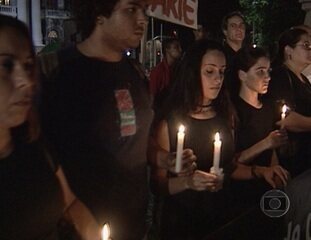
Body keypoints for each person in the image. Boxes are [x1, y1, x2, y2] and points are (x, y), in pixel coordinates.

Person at [39, 1, 195, 240]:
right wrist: (80, 220)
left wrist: (165, 158)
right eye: (131, 9)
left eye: (144, 10)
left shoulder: (135, 72)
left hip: (133, 225)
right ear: (99, 14)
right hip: (78, 230)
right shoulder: (58, 74)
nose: (142, 19)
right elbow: (41, 161)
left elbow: (136, 138)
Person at [0, 14, 100, 240]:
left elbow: (69, 202)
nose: (26, 80)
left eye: (27, 65)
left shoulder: (33, 142)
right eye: (6, 65)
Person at [151, 39, 237, 240]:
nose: (218, 78)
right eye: (210, 71)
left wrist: (224, 178)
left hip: (220, 216)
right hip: (181, 222)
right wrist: (188, 182)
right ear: (193, 72)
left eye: (222, 71)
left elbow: (230, 164)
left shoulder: (226, 116)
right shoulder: (170, 123)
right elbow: (157, 185)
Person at [229, 46, 289, 212]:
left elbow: (273, 154)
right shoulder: (232, 111)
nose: (268, 77)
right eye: (260, 71)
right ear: (242, 75)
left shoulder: (269, 107)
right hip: (240, 196)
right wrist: (266, 143)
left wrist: (276, 174)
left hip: (266, 191)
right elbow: (229, 163)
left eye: (268, 71)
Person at [269, 27, 311, 177]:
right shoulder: (280, 76)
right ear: (288, 50)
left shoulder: (303, 79)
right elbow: (286, 119)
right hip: (293, 160)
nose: (310, 50)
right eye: (306, 45)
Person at [149, 37, 182, 117]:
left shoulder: (182, 69)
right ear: (167, 49)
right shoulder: (157, 71)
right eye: (176, 47)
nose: (180, 50)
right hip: (162, 112)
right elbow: (152, 94)